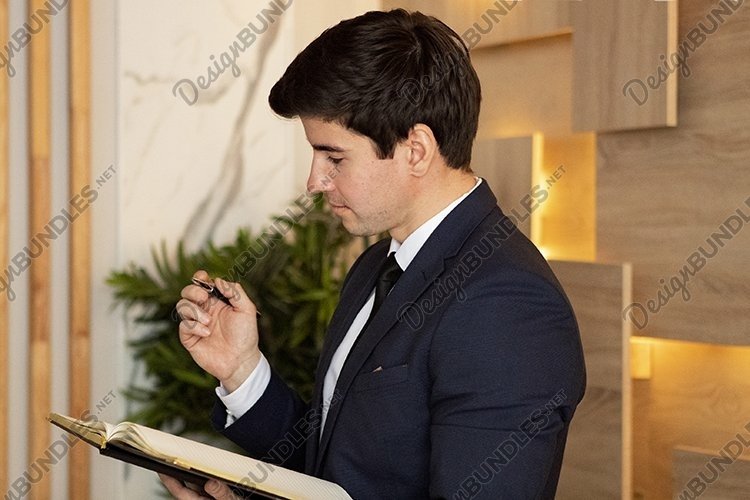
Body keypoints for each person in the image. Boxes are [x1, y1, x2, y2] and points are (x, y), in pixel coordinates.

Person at [161, 8, 586, 500]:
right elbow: (336, 471)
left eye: (334, 157)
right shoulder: (374, 266)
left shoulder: (510, 307)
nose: (314, 181)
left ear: (417, 149)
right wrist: (242, 371)